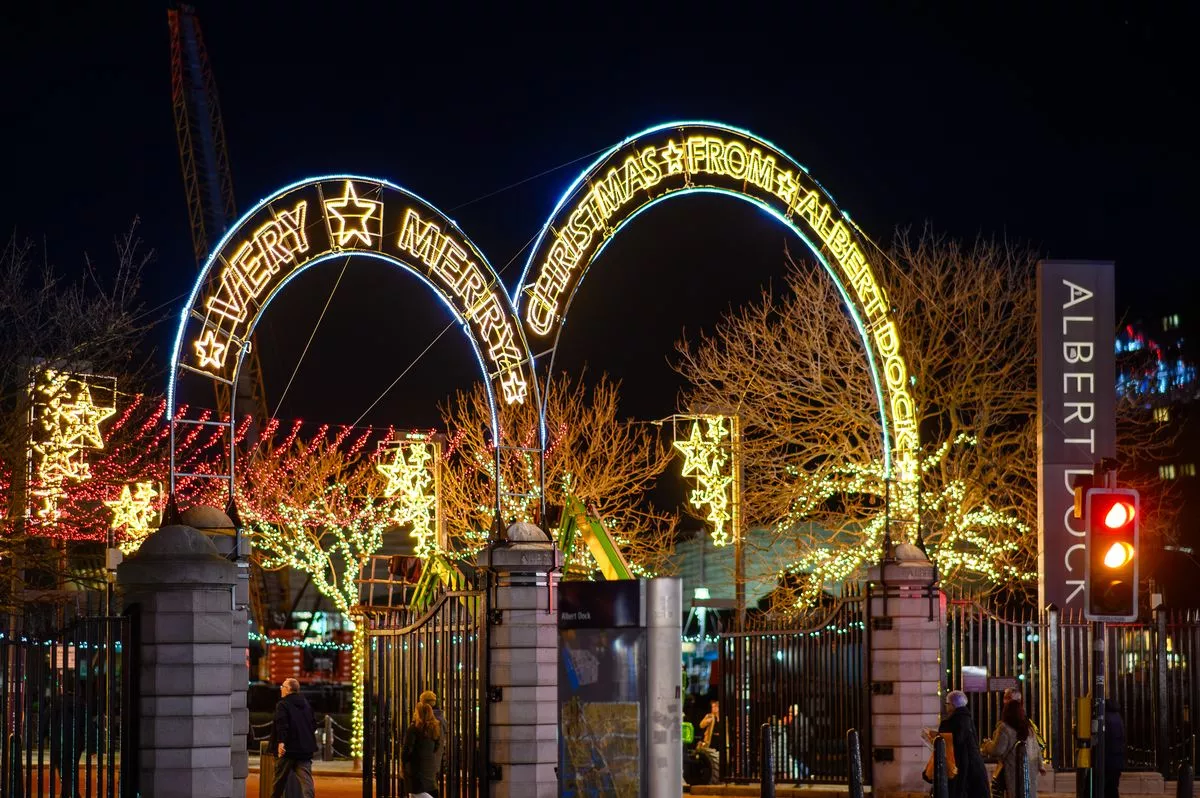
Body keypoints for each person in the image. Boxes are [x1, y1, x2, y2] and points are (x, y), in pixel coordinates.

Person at [926, 691, 989, 798]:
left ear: (952, 705)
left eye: (947, 704)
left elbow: (948, 744)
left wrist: (935, 736)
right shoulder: (968, 719)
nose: (946, 707)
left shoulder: (951, 722)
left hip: (958, 769)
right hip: (973, 769)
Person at [982, 693, 1041, 798]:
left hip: (1013, 769)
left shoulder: (1004, 728)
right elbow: (1036, 748)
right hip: (1029, 769)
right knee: (1027, 793)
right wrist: (1040, 765)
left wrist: (986, 745)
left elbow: (997, 750)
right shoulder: (1029, 728)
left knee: (1014, 792)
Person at [269, 678, 317, 798]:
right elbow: (313, 724)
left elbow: (282, 724)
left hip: (288, 750)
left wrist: (281, 742)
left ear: (289, 689)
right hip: (304, 749)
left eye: (283, 687)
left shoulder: (283, 704)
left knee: (279, 782)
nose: (281, 689)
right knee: (306, 780)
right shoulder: (306, 704)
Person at [403, 701, 444, 798]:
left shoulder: (413, 729)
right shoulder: (435, 728)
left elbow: (407, 750)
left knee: (416, 793)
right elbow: (436, 747)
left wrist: (404, 762)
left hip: (416, 772)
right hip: (430, 771)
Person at [1105, 699, 1126, 798]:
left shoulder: (1106, 718)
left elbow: (1105, 738)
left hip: (1109, 758)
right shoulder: (1118, 717)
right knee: (1113, 785)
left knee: (1108, 786)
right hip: (1118, 757)